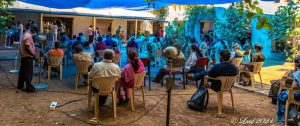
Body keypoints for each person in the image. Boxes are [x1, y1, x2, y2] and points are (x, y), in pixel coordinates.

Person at [276, 58, 300, 124]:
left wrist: (290, 86)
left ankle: (282, 119)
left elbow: (294, 86)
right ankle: (292, 115)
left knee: (281, 95)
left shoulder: (298, 74)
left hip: (298, 96)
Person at [17, 24, 39, 93]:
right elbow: (27, 47)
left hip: (23, 56)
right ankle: (29, 89)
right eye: (35, 31)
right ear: (33, 30)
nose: (35, 32)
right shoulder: (28, 36)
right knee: (29, 73)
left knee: (22, 72)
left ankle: (20, 85)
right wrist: (34, 56)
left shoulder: (25, 34)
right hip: (28, 57)